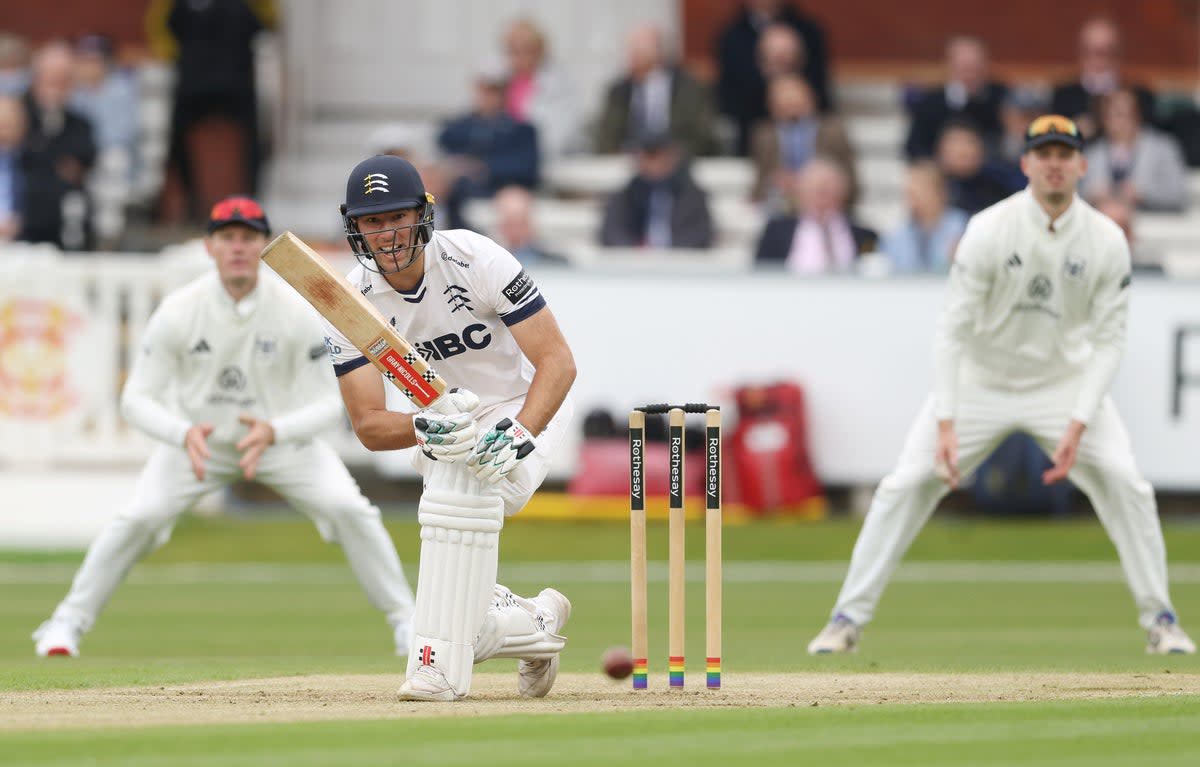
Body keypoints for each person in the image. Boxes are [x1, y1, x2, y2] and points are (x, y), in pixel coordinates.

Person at [806, 115, 1196, 657]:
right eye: (1044, 154)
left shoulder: (1106, 239)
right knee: (905, 484)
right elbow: (953, 328)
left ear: (1082, 164)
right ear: (1026, 163)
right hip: (980, 383)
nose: (1055, 164)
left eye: (1065, 154)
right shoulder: (989, 229)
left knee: (1126, 483)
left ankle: (1161, 619)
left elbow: (1108, 341)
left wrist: (1079, 420)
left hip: (1062, 385)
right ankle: (847, 618)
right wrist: (946, 419)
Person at [32, 196, 417, 658]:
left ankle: (406, 623)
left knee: (350, 510)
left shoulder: (293, 310)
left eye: (249, 237)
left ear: (264, 246)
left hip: (279, 442)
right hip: (199, 442)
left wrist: (276, 431)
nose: (238, 247)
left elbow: (324, 403)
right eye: (227, 237)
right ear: (210, 246)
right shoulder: (180, 309)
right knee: (139, 517)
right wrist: (183, 433)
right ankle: (65, 624)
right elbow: (136, 399)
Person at [326, 154, 577, 700]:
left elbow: (558, 362)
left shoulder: (475, 257)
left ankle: (435, 667)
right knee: (461, 565)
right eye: (372, 222)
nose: (386, 234)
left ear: (423, 214)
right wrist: (425, 428)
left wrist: (519, 434)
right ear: (355, 229)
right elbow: (368, 424)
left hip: (521, 404)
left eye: (396, 217)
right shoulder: (351, 304)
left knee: (466, 491)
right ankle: (532, 624)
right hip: (440, 423)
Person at [593, 23, 719, 158]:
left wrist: (671, 157)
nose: (632, 58)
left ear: (658, 52)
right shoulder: (619, 91)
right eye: (631, 51)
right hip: (631, 163)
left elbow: (702, 134)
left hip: (678, 164)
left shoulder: (688, 88)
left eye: (639, 52)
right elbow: (606, 135)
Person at [754, 157, 877, 273]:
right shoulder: (776, 232)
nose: (822, 199)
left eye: (828, 192)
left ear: (842, 194)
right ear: (801, 193)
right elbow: (761, 273)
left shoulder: (866, 236)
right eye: (816, 191)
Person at [598, 131, 714, 249]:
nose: (654, 162)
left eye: (659, 154)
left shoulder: (692, 196)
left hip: (680, 262)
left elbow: (702, 235)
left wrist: (667, 251)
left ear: (672, 157)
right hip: (634, 263)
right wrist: (637, 250)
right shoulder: (625, 196)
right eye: (649, 154)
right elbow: (610, 233)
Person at [1081, 88, 1188, 212]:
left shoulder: (1164, 148)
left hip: (1155, 226)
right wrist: (1092, 194)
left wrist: (1142, 194)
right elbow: (1076, 197)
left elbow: (1178, 195)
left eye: (1124, 114)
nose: (1117, 122)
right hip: (1105, 225)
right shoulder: (1093, 153)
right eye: (1110, 114)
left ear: (1137, 115)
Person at [905, 36, 1008, 160]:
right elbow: (915, 146)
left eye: (975, 68)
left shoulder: (1001, 99)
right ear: (950, 67)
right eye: (964, 68)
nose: (970, 75)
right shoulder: (931, 103)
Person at [881, 160, 968, 274]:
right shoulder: (896, 235)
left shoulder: (964, 227)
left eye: (921, 191)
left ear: (940, 192)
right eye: (910, 193)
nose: (914, 200)